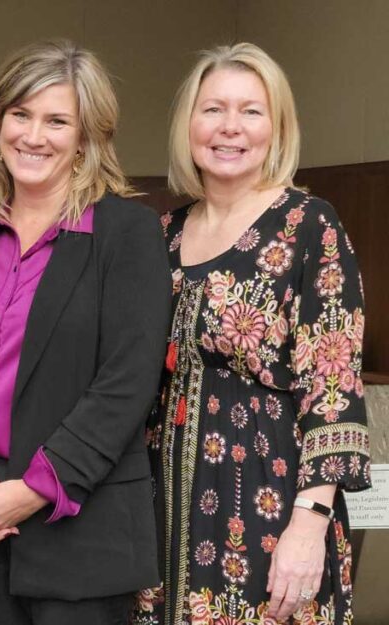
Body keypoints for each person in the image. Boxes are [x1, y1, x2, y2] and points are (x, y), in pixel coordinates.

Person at [0, 40, 170, 625]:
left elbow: (126, 385)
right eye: (20, 115)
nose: (33, 135)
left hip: (82, 536)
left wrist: (33, 489)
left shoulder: (128, 233)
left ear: (87, 137)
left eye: (57, 121)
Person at [133, 43, 372, 625]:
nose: (229, 127)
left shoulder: (308, 226)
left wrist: (309, 524)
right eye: (212, 109)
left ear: (277, 127)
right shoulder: (160, 235)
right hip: (159, 508)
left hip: (269, 505)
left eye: (251, 111)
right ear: (188, 124)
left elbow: (333, 383)